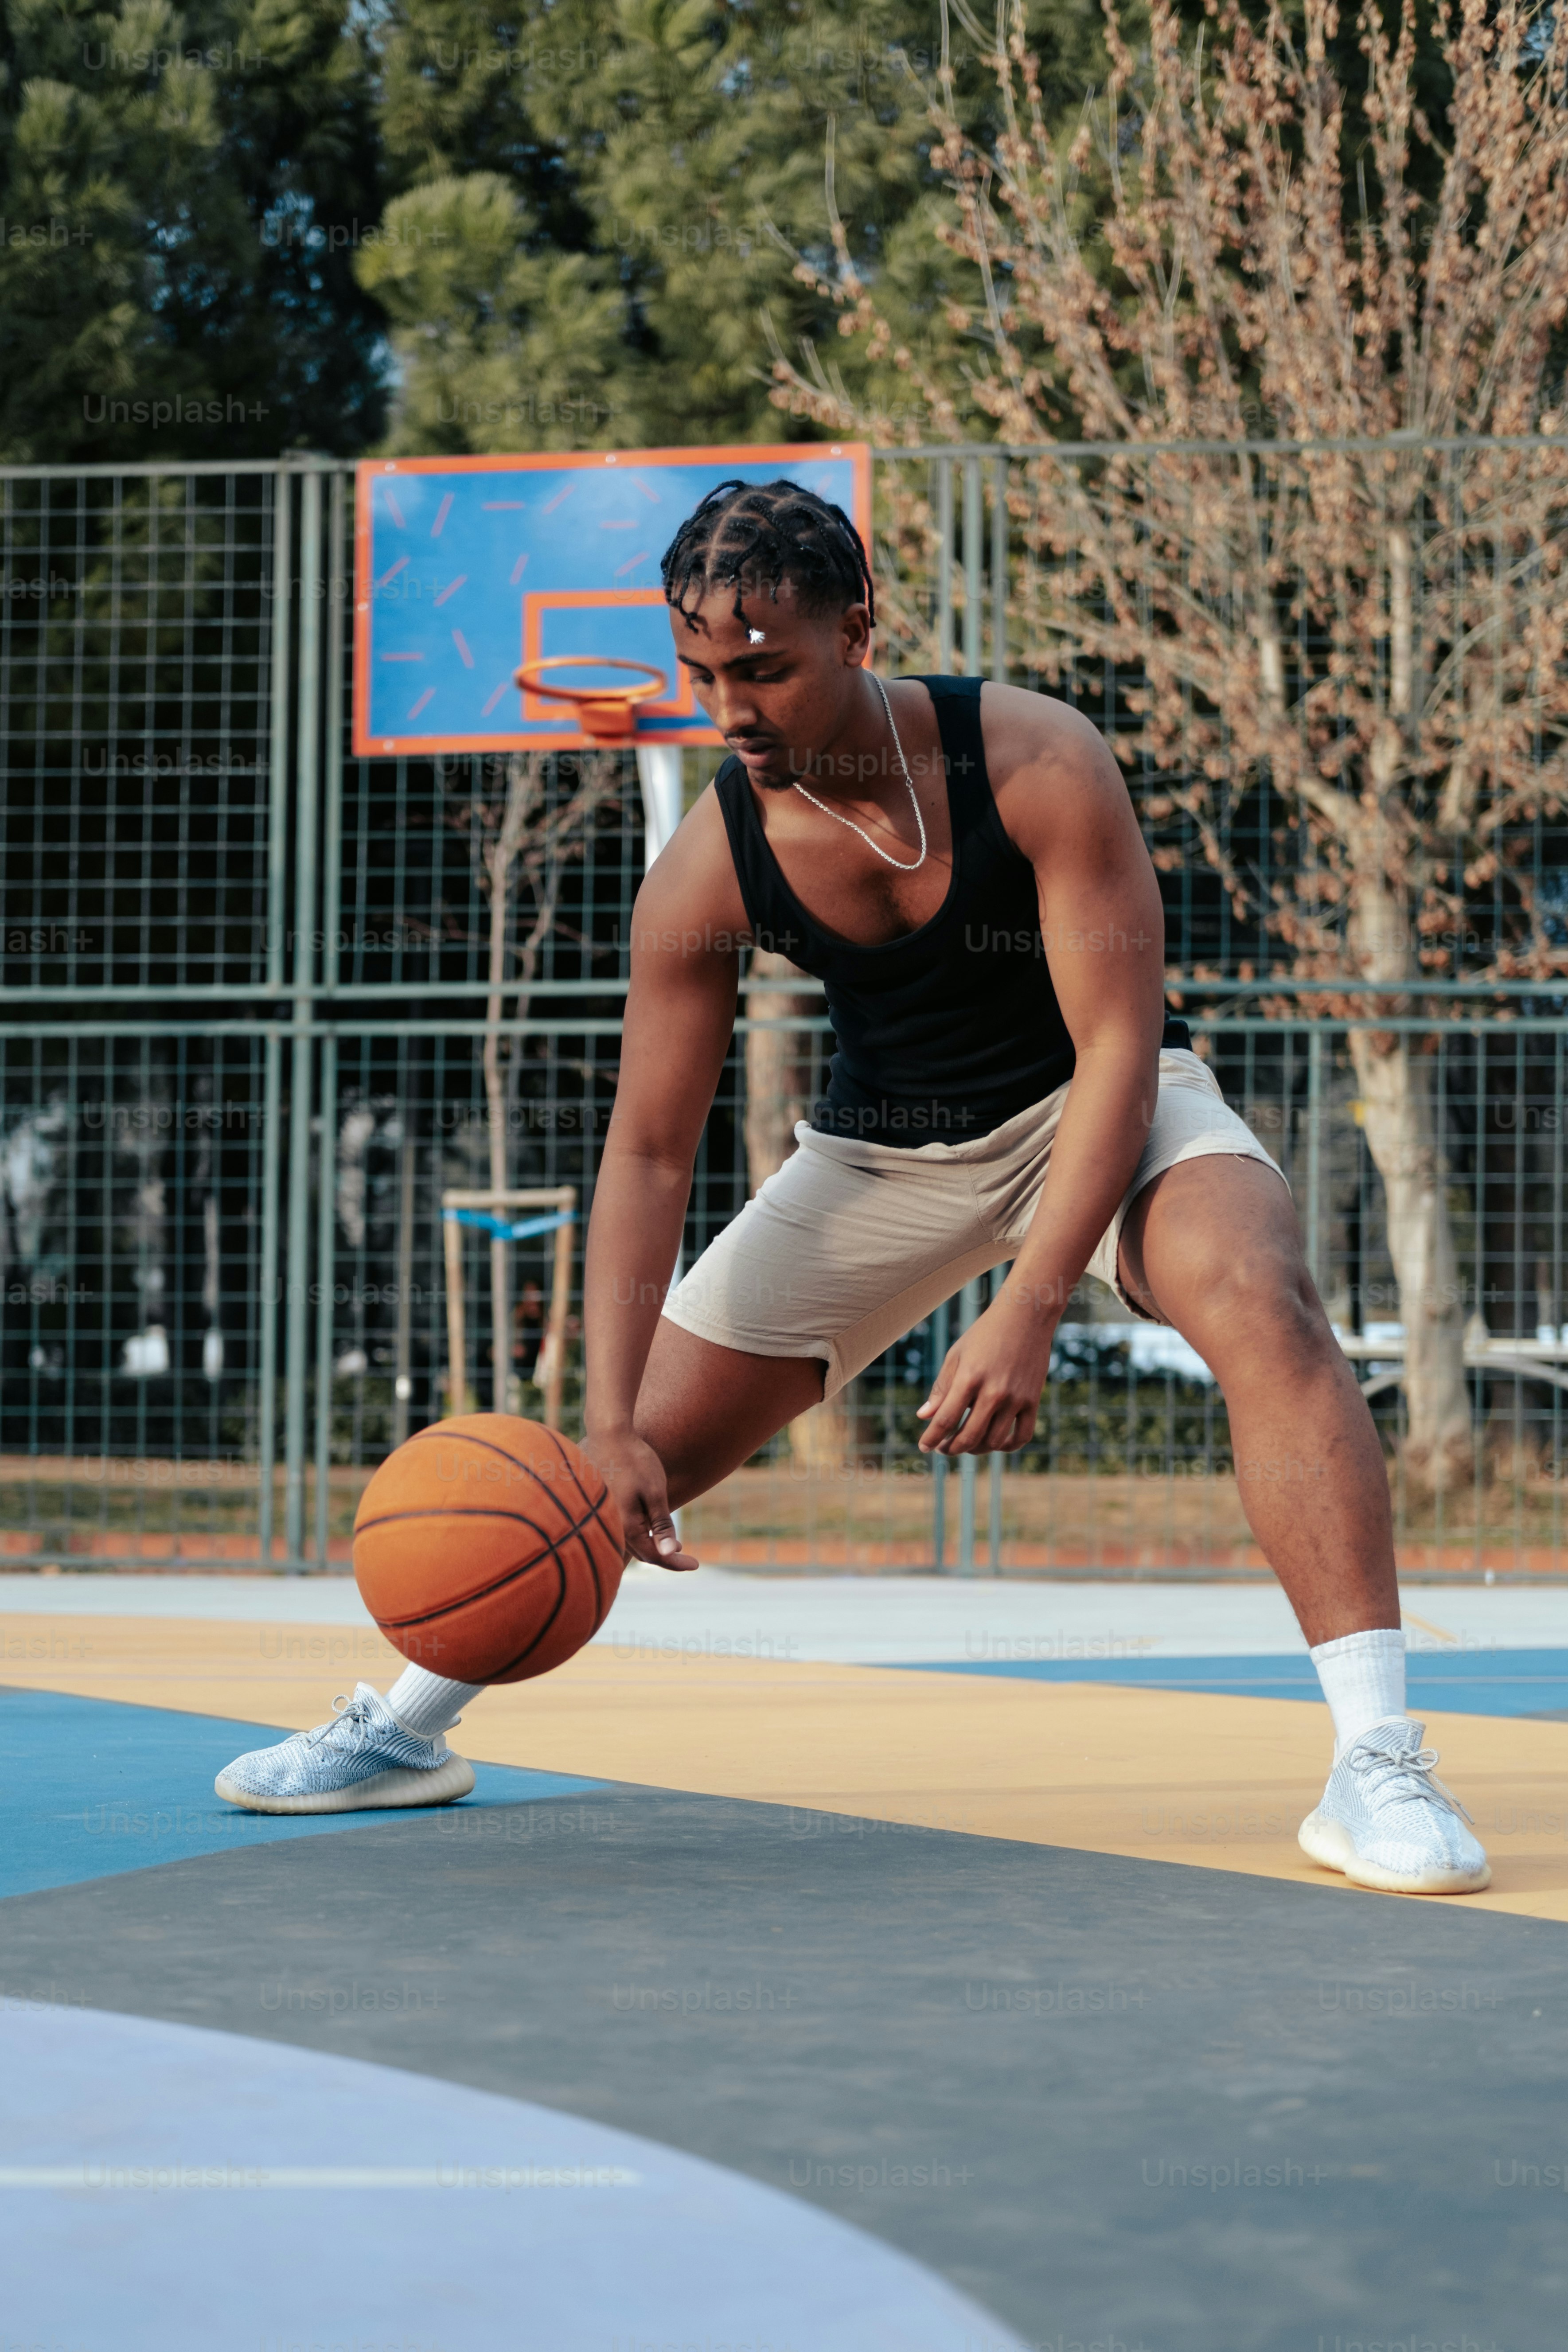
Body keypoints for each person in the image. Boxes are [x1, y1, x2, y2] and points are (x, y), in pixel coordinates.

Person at [216, 479, 1488, 1897]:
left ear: (858, 631)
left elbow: (1118, 1048)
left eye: (764, 669)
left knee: (1261, 1294)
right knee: (617, 1465)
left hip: (1094, 1105)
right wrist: (608, 1418)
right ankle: (406, 1727)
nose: (730, 708)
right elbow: (648, 1149)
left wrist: (1031, 1304)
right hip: (878, 1156)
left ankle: (1376, 1759)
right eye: (700, 673)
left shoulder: (1033, 759)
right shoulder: (707, 864)